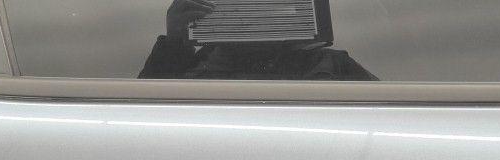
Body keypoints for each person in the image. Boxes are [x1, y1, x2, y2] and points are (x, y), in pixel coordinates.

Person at [139, 0, 378, 81]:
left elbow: (389, 116)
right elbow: (141, 122)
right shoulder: (180, 70)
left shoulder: (334, 66)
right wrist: (174, 44)